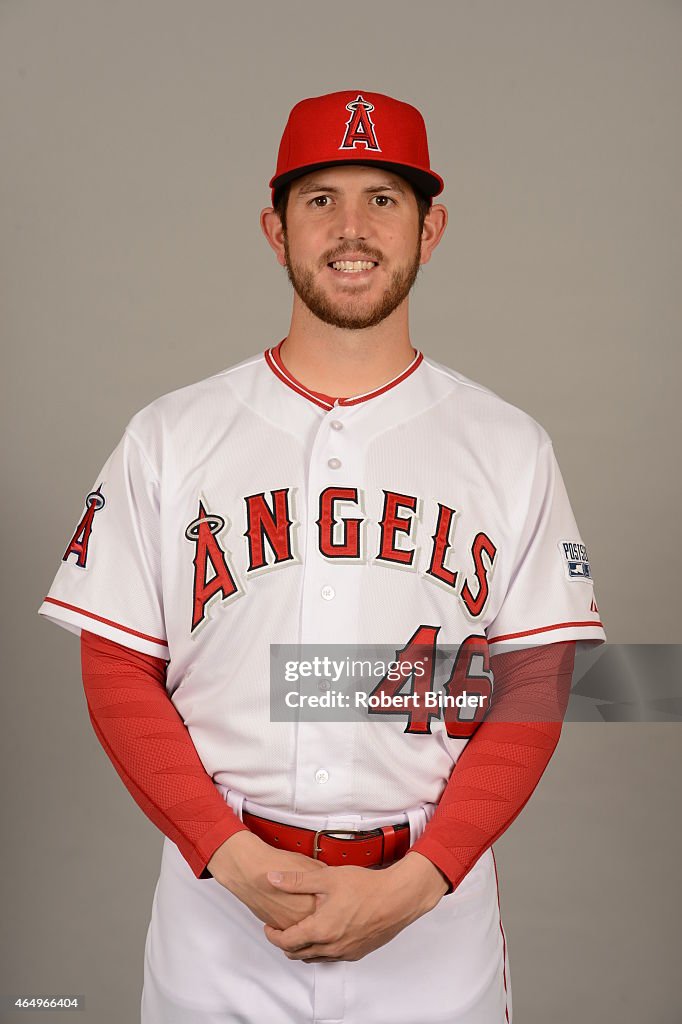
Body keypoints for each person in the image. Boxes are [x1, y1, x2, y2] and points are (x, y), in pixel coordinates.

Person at [39, 89, 606, 1023]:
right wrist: (229, 855)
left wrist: (425, 879)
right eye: (320, 199)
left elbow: (537, 683)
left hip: (432, 921)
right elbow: (116, 670)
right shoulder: (170, 437)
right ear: (276, 229)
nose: (352, 227)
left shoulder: (510, 447)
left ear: (432, 229)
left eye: (384, 197)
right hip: (218, 919)